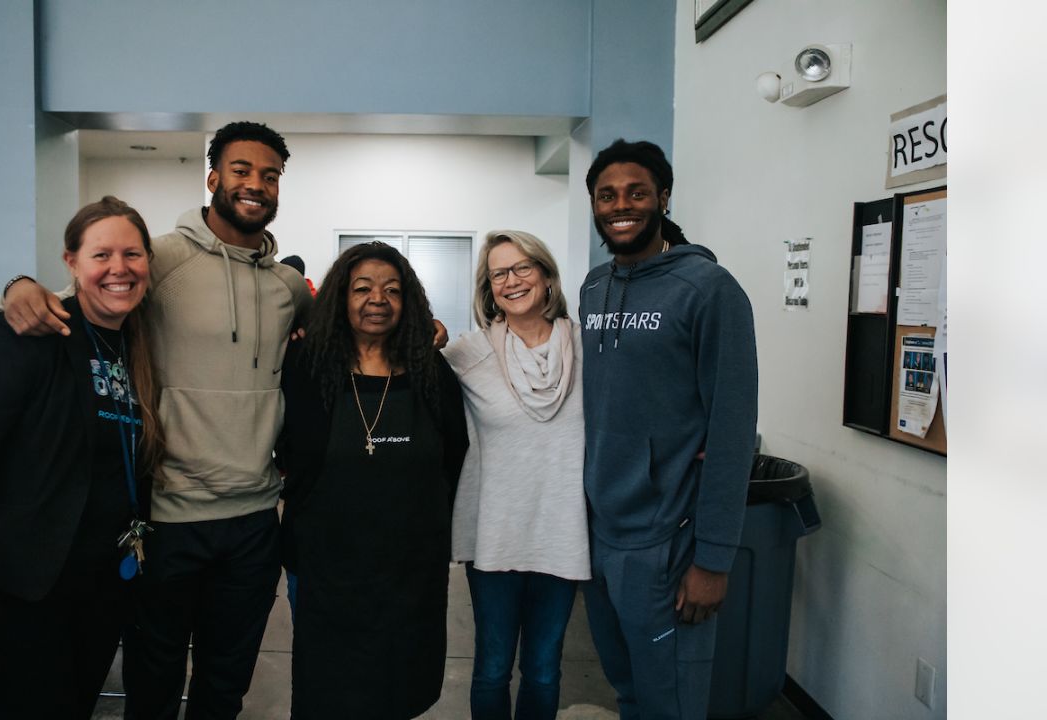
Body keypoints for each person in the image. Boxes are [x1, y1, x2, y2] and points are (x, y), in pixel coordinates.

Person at [0, 121, 312, 719]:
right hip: (166, 516)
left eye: (269, 175)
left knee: (227, 679)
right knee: (154, 676)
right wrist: (17, 286)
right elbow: (81, 296)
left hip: (253, 520)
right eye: (242, 170)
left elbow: (337, 339)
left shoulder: (289, 287)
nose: (256, 184)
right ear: (213, 177)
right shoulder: (161, 258)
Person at [0, 196, 165, 718]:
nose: (119, 268)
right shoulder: (25, 334)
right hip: (13, 594)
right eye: (102, 255)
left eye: (133, 254)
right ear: (71, 262)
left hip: (93, 593)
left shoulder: (134, 346)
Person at [577, 138, 758, 720]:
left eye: (636, 192)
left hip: (668, 541)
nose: (620, 205)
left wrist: (713, 560)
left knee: (671, 705)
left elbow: (732, 430)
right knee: (628, 691)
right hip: (600, 535)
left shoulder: (709, 289)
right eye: (607, 195)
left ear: (663, 198)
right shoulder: (592, 287)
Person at [276, 241, 468, 719]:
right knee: (327, 693)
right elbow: (287, 453)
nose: (377, 299)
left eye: (391, 290)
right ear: (341, 298)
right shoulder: (307, 368)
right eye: (362, 288)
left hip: (410, 572)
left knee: (397, 691)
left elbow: (455, 455)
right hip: (325, 570)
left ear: (409, 303)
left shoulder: (431, 373)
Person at [440, 230, 589, 720]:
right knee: (492, 667)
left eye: (523, 267)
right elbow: (398, 372)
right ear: (489, 287)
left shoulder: (590, 348)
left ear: (547, 276)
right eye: (499, 272)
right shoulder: (468, 354)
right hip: (494, 537)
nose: (512, 280)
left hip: (562, 533)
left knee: (545, 670)